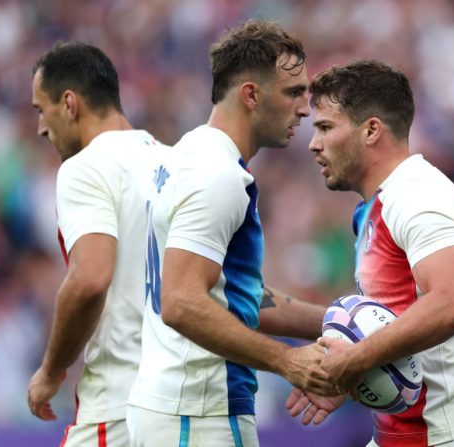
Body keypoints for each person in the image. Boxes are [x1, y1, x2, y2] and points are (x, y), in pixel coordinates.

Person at [126, 20, 336, 447]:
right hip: (197, 413)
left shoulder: (185, 157)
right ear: (251, 95)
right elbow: (182, 303)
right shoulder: (217, 178)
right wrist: (286, 361)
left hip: (173, 408)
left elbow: (231, 296)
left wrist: (340, 323)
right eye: (294, 92)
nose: (304, 110)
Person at [287, 60, 454, 446]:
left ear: (371, 129)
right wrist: (355, 371)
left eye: (325, 127)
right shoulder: (377, 207)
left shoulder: (419, 197)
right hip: (400, 433)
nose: (313, 143)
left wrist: (354, 360)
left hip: (451, 431)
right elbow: (394, 319)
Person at [26, 41, 168, 446]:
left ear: (69, 103)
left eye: (41, 109)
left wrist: (52, 369)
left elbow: (90, 279)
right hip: (181, 404)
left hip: (120, 404)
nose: (40, 127)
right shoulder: (173, 163)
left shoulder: (85, 168)